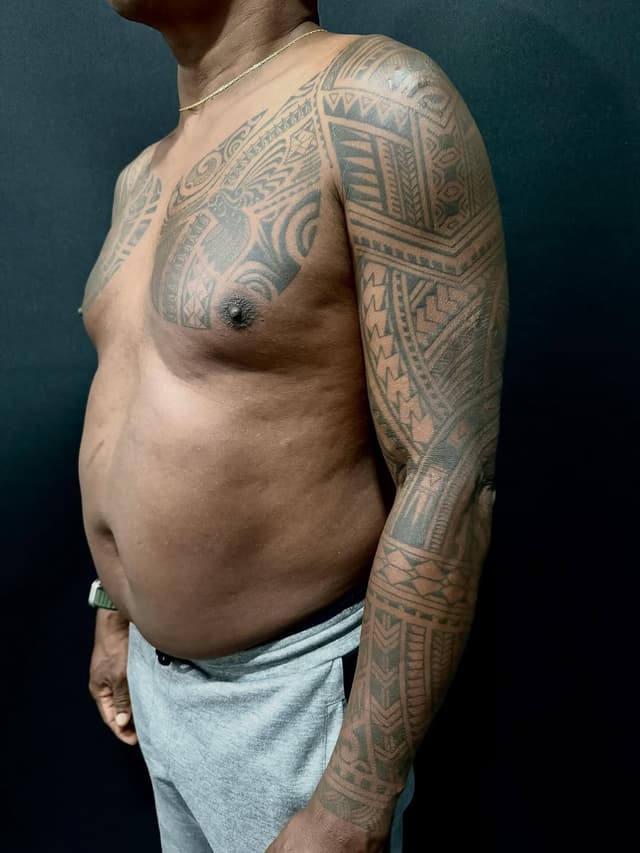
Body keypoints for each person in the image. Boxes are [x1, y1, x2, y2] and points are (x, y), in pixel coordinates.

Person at [82, 1, 508, 851]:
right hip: (159, 688)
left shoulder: (378, 102)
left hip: (292, 702)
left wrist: (355, 796)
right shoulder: (143, 173)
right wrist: (117, 608)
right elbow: (141, 402)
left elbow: (449, 471)